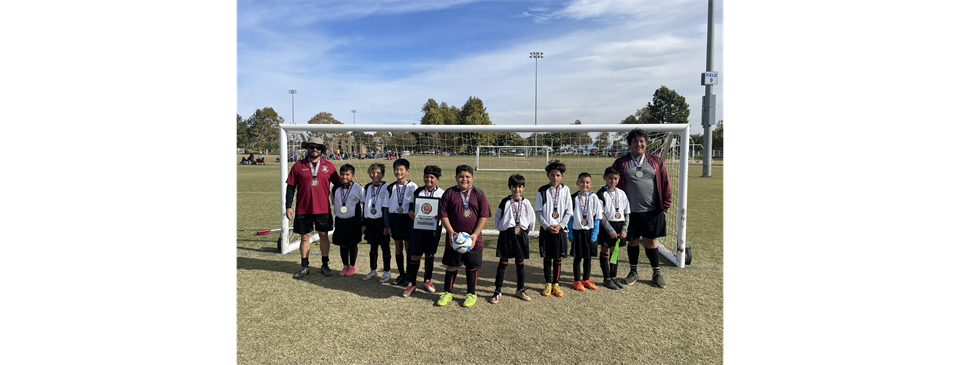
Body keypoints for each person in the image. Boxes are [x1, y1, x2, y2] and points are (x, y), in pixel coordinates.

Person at [611, 128, 672, 288]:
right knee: (632, 241)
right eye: (635, 141)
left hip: (651, 211)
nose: (639, 144)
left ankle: (656, 273)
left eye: (641, 141)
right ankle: (633, 272)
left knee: (650, 241)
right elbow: (612, 182)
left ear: (646, 143)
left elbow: (665, 183)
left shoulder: (656, 161)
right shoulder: (621, 162)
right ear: (630, 144)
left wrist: (664, 206)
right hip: (629, 212)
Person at [435, 165, 491, 307]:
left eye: (467, 177)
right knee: (451, 266)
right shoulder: (449, 193)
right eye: (461, 176)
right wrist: (450, 231)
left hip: (473, 239)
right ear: (456, 178)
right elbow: (443, 214)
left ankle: (471, 294)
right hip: (454, 239)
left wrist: (475, 234)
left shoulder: (479, 194)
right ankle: (447, 292)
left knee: (471, 267)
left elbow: (484, 215)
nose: (464, 179)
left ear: (472, 178)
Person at [287, 136, 341, 278]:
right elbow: (291, 187)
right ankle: (304, 266)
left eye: (318, 147)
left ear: (322, 150)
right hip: (303, 209)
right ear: (308, 148)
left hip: (323, 209)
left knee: (323, 236)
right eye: (312, 147)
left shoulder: (329, 166)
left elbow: (340, 185)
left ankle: (325, 264)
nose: (315, 150)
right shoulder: (298, 166)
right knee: (305, 237)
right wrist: (288, 206)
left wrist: (354, 185)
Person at [491, 174, 536, 303]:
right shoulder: (505, 202)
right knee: (503, 263)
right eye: (514, 186)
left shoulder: (526, 202)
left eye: (520, 187)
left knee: (520, 263)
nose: (517, 189)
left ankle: (520, 289)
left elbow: (531, 218)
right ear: (510, 187)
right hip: (507, 234)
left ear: (523, 188)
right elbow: (497, 218)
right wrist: (502, 228)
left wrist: (526, 231)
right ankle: (497, 290)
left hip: (521, 234)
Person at [402, 165, 445, 297]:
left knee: (430, 255)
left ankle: (427, 280)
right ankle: (411, 283)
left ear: (437, 179)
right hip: (418, 228)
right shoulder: (418, 192)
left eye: (432, 177)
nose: (428, 179)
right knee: (415, 255)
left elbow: (445, 211)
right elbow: (410, 207)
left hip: (433, 229)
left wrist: (440, 216)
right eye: (426, 177)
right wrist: (410, 213)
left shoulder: (442, 194)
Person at [534, 160, 573, 297]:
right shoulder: (542, 191)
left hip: (560, 230)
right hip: (547, 230)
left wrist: (561, 225)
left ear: (562, 176)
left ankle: (556, 283)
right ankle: (548, 282)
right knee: (547, 257)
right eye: (552, 175)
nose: (555, 178)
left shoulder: (566, 190)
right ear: (547, 175)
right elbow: (538, 211)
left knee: (557, 258)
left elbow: (569, 211)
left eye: (557, 175)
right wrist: (546, 225)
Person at [567, 172, 604, 292]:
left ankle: (586, 279)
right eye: (582, 182)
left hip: (590, 232)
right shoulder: (573, 198)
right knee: (577, 258)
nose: (584, 184)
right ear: (577, 183)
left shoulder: (595, 198)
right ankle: (576, 281)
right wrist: (570, 233)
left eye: (587, 182)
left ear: (591, 184)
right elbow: (570, 218)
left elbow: (598, 217)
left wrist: (594, 233)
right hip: (577, 232)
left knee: (588, 258)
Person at [384, 158, 417, 286]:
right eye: (396, 169)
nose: (399, 172)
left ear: (407, 171)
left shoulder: (413, 186)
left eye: (401, 169)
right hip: (395, 218)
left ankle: (409, 274)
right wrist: (388, 225)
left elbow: (415, 204)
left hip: (407, 219)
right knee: (398, 246)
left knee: (408, 246)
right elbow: (386, 207)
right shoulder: (391, 187)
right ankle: (401, 274)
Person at [597, 166, 630, 290]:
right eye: (610, 178)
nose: (613, 181)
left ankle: (614, 277)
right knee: (605, 250)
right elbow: (601, 215)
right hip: (607, 226)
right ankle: (607, 278)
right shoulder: (601, 194)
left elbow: (627, 213)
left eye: (615, 179)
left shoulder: (622, 193)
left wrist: (624, 229)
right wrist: (609, 229)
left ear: (619, 179)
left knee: (615, 252)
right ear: (605, 177)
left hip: (620, 225)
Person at [360, 163, 394, 282]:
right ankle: (373, 269)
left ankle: (387, 271)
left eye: (378, 173)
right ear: (369, 174)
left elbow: (387, 208)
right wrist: (363, 223)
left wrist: (386, 225)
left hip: (381, 222)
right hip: (370, 222)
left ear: (383, 174)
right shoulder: (367, 187)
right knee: (372, 247)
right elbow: (364, 206)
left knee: (385, 247)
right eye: (372, 173)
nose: (375, 175)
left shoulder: (388, 187)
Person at [331, 164, 365, 276]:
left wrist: (363, 222)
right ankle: (345, 265)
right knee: (343, 245)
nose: (344, 177)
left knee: (352, 244)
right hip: (340, 220)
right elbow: (333, 202)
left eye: (347, 174)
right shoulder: (335, 188)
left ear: (353, 176)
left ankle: (352, 265)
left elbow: (363, 204)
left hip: (354, 221)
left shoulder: (359, 188)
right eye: (342, 174)